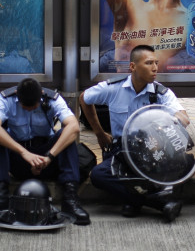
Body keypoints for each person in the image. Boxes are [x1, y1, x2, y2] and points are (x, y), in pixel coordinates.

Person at [80, 44, 189, 221]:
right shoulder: (114, 88)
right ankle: (157, 203)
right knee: (99, 175)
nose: (155, 68)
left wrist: (165, 123)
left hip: (150, 150)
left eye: (156, 62)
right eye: (148, 63)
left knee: (182, 162)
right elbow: (84, 98)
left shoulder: (160, 93)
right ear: (133, 67)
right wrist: (99, 132)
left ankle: (133, 201)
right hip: (121, 150)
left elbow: (183, 118)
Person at [0, 77, 89, 225]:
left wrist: (50, 156)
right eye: (24, 106)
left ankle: (70, 200)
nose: (29, 109)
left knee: (67, 135)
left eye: (33, 106)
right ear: (17, 95)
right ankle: (0, 199)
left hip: (47, 157)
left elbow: (73, 126)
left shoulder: (53, 99)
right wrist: (24, 153)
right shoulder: (5, 99)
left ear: (41, 95)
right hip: (19, 157)